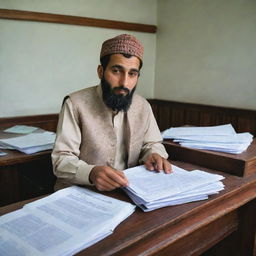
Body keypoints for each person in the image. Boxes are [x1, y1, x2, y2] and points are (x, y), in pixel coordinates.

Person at [52, 34, 171, 192]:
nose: (124, 82)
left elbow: (152, 144)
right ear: (101, 71)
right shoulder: (75, 104)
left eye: (132, 74)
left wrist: (154, 155)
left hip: (130, 191)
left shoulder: (143, 105)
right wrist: (91, 173)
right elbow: (61, 159)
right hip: (82, 192)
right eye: (116, 71)